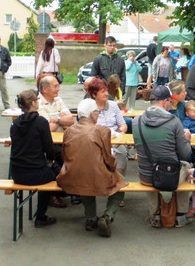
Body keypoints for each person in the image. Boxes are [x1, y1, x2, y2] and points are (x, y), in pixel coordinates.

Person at [56, 99, 127, 237]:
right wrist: (113, 167)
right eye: (98, 112)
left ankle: (90, 218)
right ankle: (108, 216)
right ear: (93, 114)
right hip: (97, 176)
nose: (98, 114)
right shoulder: (102, 131)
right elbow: (108, 159)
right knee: (121, 185)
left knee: (84, 181)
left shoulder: (69, 131)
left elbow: (64, 155)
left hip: (72, 176)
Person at [132, 85, 193, 228]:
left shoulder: (136, 122)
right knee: (187, 166)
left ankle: (155, 214)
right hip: (170, 177)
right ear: (165, 102)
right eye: (170, 102)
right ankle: (180, 215)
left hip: (146, 177)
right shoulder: (173, 121)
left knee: (148, 166)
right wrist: (187, 140)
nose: (171, 106)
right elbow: (185, 154)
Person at [10, 90, 60, 228]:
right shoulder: (41, 122)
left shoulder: (15, 125)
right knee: (59, 173)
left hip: (17, 173)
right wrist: (52, 160)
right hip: (36, 173)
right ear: (33, 103)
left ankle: (42, 213)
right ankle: (40, 216)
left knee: (53, 170)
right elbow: (49, 149)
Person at [88, 77, 128, 206]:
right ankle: (97, 187)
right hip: (97, 142)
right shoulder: (89, 108)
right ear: (94, 95)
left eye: (106, 90)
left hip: (114, 139)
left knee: (122, 152)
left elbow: (123, 124)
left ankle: (118, 189)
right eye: (102, 92)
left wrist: (120, 132)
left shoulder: (113, 105)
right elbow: (86, 129)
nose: (106, 94)